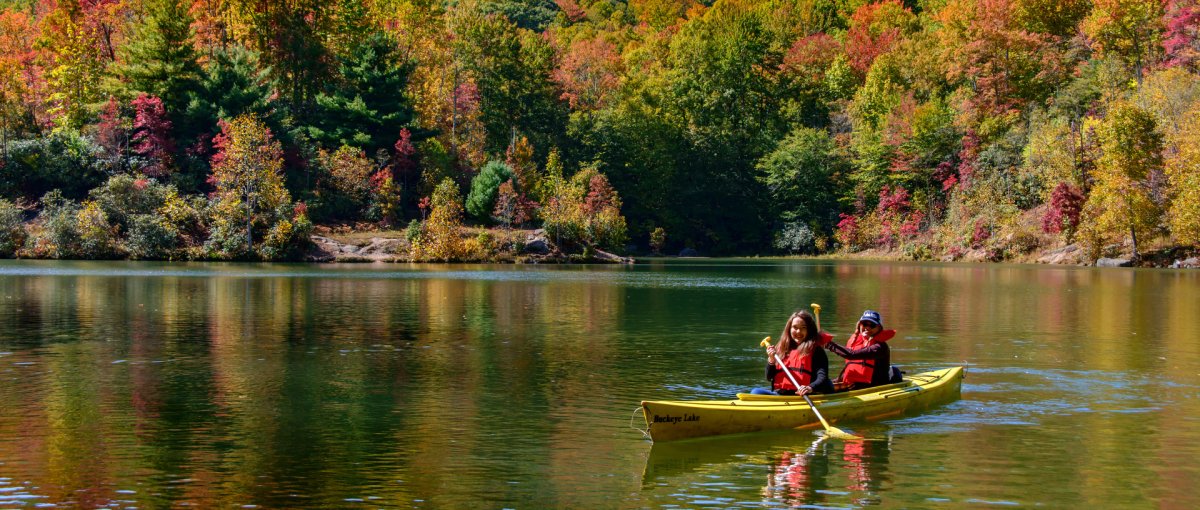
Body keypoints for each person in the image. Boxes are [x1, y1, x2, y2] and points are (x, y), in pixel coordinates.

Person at [750, 310, 835, 395]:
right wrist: (771, 360)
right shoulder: (781, 348)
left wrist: (810, 388)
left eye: (803, 328)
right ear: (789, 329)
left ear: (809, 330)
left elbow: (822, 377)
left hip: (804, 395)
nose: (798, 331)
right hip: (781, 394)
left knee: (827, 384)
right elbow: (769, 377)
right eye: (795, 327)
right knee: (755, 392)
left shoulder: (816, 351)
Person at [826, 310, 897, 390]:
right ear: (859, 325)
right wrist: (831, 382)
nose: (867, 328)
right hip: (855, 385)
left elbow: (851, 355)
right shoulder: (856, 343)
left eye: (872, 325)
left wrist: (828, 344)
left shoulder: (879, 347)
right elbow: (851, 367)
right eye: (864, 324)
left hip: (874, 388)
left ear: (879, 328)